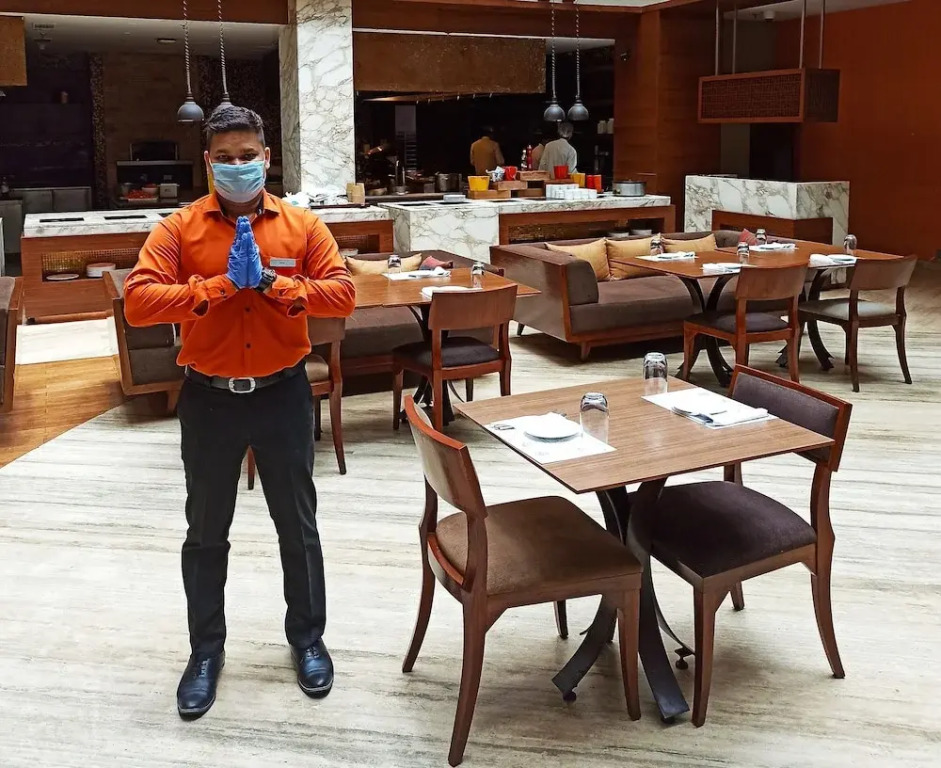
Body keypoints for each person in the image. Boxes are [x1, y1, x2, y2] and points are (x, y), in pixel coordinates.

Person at [124, 105, 356, 720]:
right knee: (206, 531)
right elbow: (138, 302)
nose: (237, 166)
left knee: (298, 525)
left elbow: (342, 293)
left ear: (266, 158)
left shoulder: (303, 226)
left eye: (247, 155)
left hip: (283, 393)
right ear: (208, 163)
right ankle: (206, 652)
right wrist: (218, 287)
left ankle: (308, 638)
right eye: (224, 158)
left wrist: (277, 286)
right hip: (209, 399)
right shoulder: (178, 229)